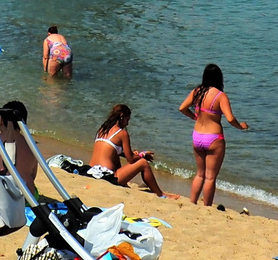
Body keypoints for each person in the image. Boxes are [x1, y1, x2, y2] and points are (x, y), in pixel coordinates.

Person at [179, 63, 247, 206]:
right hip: (214, 138)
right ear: (219, 78)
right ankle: (207, 207)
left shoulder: (197, 91)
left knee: (199, 174)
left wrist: (194, 117)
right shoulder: (220, 96)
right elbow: (230, 118)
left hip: (197, 136)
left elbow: (182, 108)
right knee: (210, 177)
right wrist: (241, 126)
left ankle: (192, 203)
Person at [87, 104, 165, 195]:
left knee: (115, 158)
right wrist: (142, 154)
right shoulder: (122, 133)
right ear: (122, 116)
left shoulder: (102, 129)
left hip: (91, 171)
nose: (127, 123)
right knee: (143, 163)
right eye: (127, 120)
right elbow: (130, 159)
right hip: (106, 177)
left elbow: (110, 151)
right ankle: (160, 194)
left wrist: (132, 154)